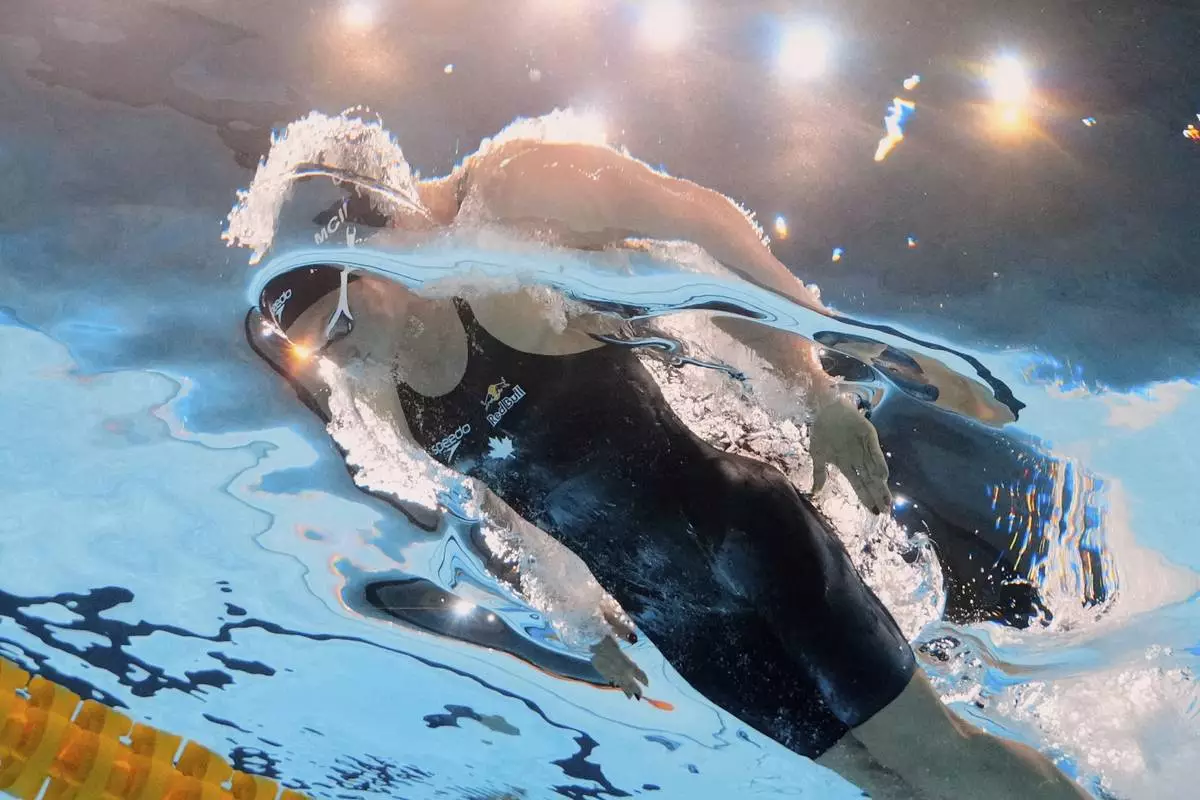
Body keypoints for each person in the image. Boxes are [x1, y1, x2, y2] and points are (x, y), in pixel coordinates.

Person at [234, 119, 1088, 799]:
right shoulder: (382, 390)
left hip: (746, 542)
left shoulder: (501, 259)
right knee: (877, 783)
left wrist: (816, 392)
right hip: (679, 621)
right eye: (323, 351)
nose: (344, 355)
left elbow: (701, 231)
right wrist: (578, 614)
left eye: (344, 324)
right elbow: (498, 494)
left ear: (375, 261)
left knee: (938, 756)